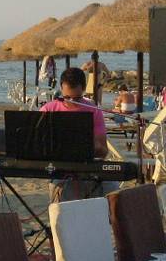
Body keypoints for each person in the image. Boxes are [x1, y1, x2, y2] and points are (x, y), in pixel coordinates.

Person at [40, 67, 116, 202]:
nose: (71, 102)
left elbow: (103, 152)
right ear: (61, 90)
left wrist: (90, 142)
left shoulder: (93, 110)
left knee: (113, 190)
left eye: (77, 98)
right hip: (58, 168)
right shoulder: (48, 109)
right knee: (60, 192)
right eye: (66, 97)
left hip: (86, 165)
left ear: (84, 90)